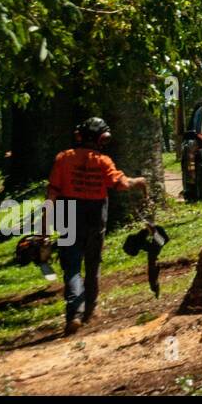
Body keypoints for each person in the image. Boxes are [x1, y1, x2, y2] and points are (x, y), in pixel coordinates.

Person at [46, 117, 148, 335]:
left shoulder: (63, 159)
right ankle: (90, 311)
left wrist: (45, 222)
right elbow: (120, 184)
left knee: (72, 266)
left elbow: (53, 192)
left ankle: (75, 313)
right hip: (95, 215)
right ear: (103, 139)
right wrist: (139, 182)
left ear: (79, 136)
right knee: (92, 264)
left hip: (67, 213)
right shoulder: (104, 162)